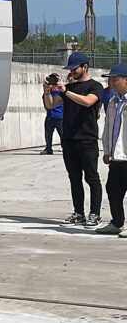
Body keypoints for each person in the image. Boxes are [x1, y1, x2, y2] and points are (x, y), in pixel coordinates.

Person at [43, 52, 103, 227]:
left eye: (74, 68)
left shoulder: (95, 86)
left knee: (92, 177)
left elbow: (87, 102)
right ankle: (79, 212)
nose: (72, 72)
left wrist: (66, 91)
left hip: (87, 139)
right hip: (69, 140)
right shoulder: (68, 88)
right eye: (70, 69)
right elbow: (50, 105)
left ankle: (95, 213)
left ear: (84, 67)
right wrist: (47, 91)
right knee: (74, 178)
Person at [98, 63, 127, 237]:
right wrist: (107, 151)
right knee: (113, 189)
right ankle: (117, 222)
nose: (112, 82)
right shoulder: (113, 101)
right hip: (117, 156)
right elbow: (108, 127)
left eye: (115, 79)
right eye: (110, 79)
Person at [41, 73, 64, 155]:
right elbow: (46, 105)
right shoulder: (47, 93)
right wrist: (46, 89)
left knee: (63, 135)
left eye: (55, 80)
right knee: (48, 135)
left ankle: (65, 148)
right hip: (50, 116)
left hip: (60, 117)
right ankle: (48, 148)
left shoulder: (62, 92)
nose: (53, 82)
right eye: (51, 80)